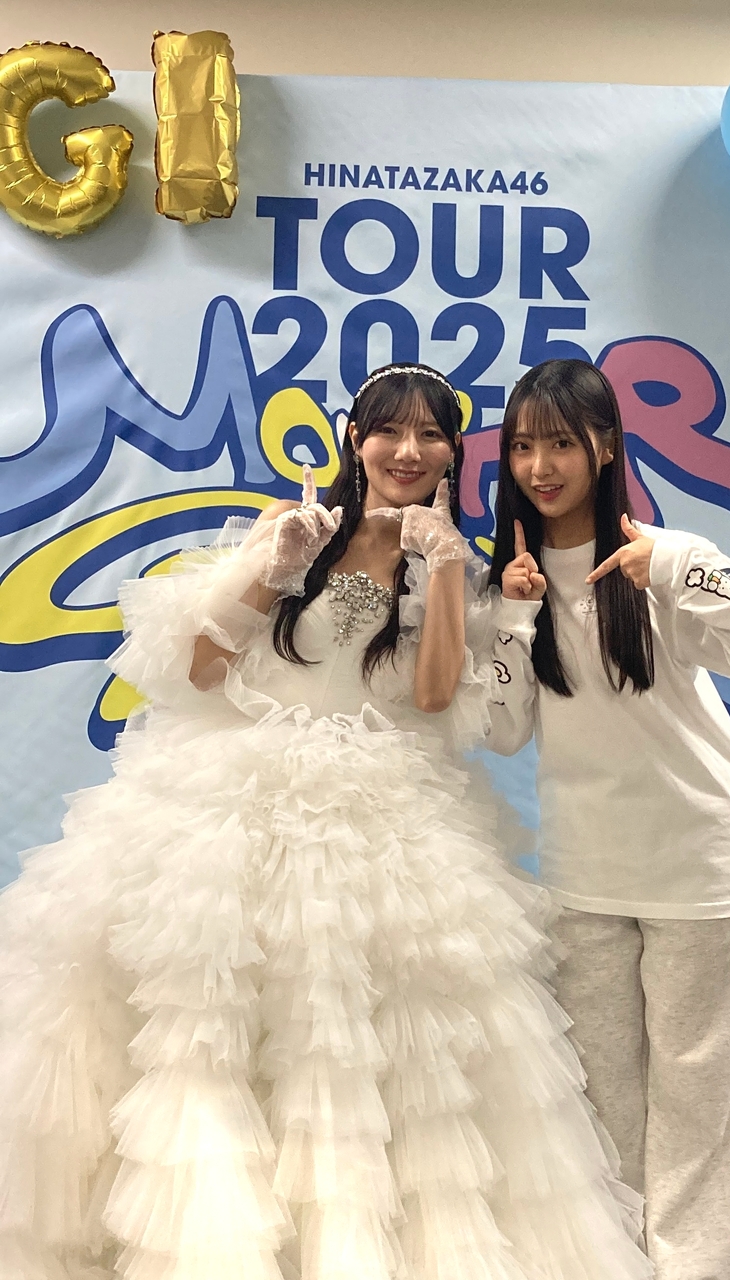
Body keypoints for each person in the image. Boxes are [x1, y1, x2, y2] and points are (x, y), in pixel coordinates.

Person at [0, 363, 652, 1280]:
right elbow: (199, 669)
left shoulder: (452, 561)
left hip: (383, 808)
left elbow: (436, 698)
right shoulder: (292, 525)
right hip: (233, 798)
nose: (409, 451)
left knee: (367, 1038)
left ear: (452, 454)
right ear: (356, 438)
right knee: (207, 1020)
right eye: (391, 431)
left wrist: (445, 569)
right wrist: (273, 574)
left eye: (432, 436)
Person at [487, 358, 730, 1280]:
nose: (540, 466)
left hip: (699, 874)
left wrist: (672, 567)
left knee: (702, 1110)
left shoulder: (665, 556)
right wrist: (511, 619)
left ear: (605, 446)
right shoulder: (513, 581)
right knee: (602, 1108)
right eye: (522, 446)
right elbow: (502, 732)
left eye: (559, 442)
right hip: (585, 878)